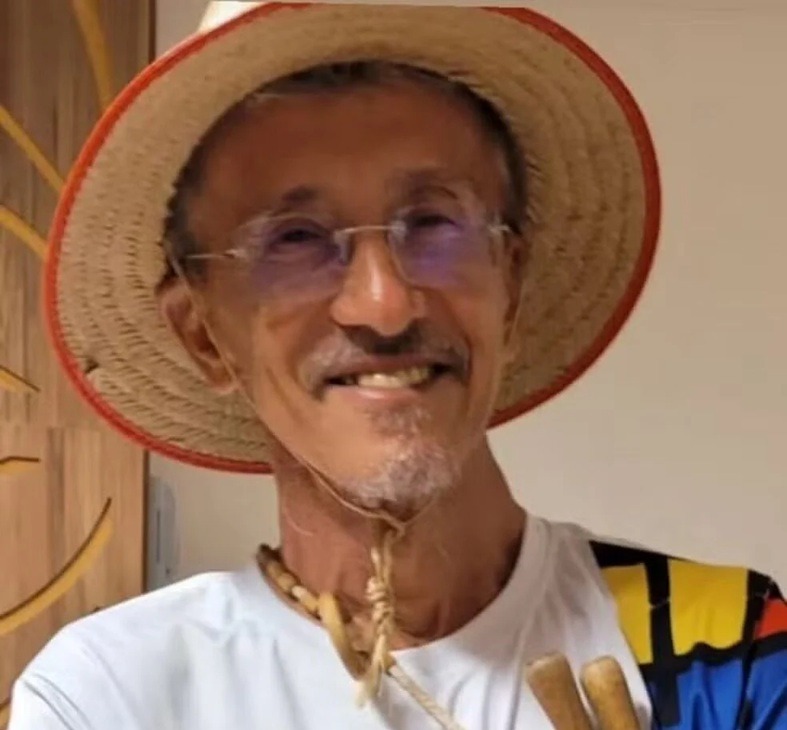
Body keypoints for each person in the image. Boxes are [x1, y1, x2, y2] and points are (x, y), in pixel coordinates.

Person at [9, 3, 787, 729]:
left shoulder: (725, 644)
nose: (383, 305)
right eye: (295, 238)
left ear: (510, 286)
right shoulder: (114, 693)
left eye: (433, 223)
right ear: (204, 336)